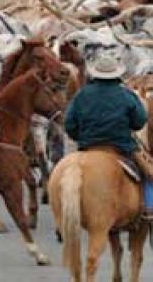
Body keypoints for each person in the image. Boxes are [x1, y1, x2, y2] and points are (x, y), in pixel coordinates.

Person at [64, 55, 153, 220]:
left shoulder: (82, 95)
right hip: (121, 146)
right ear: (116, 74)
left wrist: (81, 137)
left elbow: (69, 124)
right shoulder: (126, 95)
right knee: (149, 173)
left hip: (87, 146)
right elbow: (140, 120)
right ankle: (149, 208)